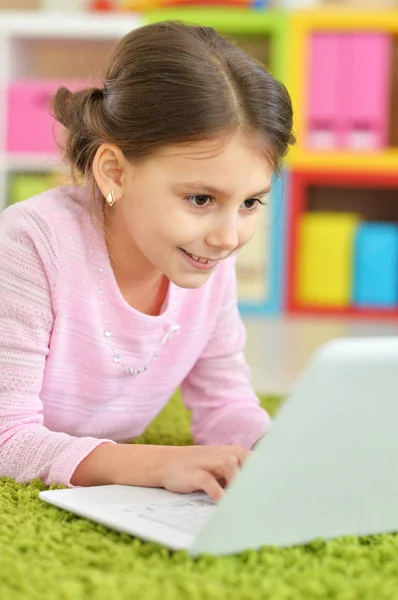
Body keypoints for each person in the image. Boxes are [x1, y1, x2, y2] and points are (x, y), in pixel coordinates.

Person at [0, 21, 295, 501]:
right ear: (114, 171)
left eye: (249, 204)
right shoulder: (32, 243)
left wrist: (282, 453)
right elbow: (7, 438)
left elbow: (226, 405)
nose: (228, 237)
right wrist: (156, 463)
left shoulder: (203, 257)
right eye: (200, 199)